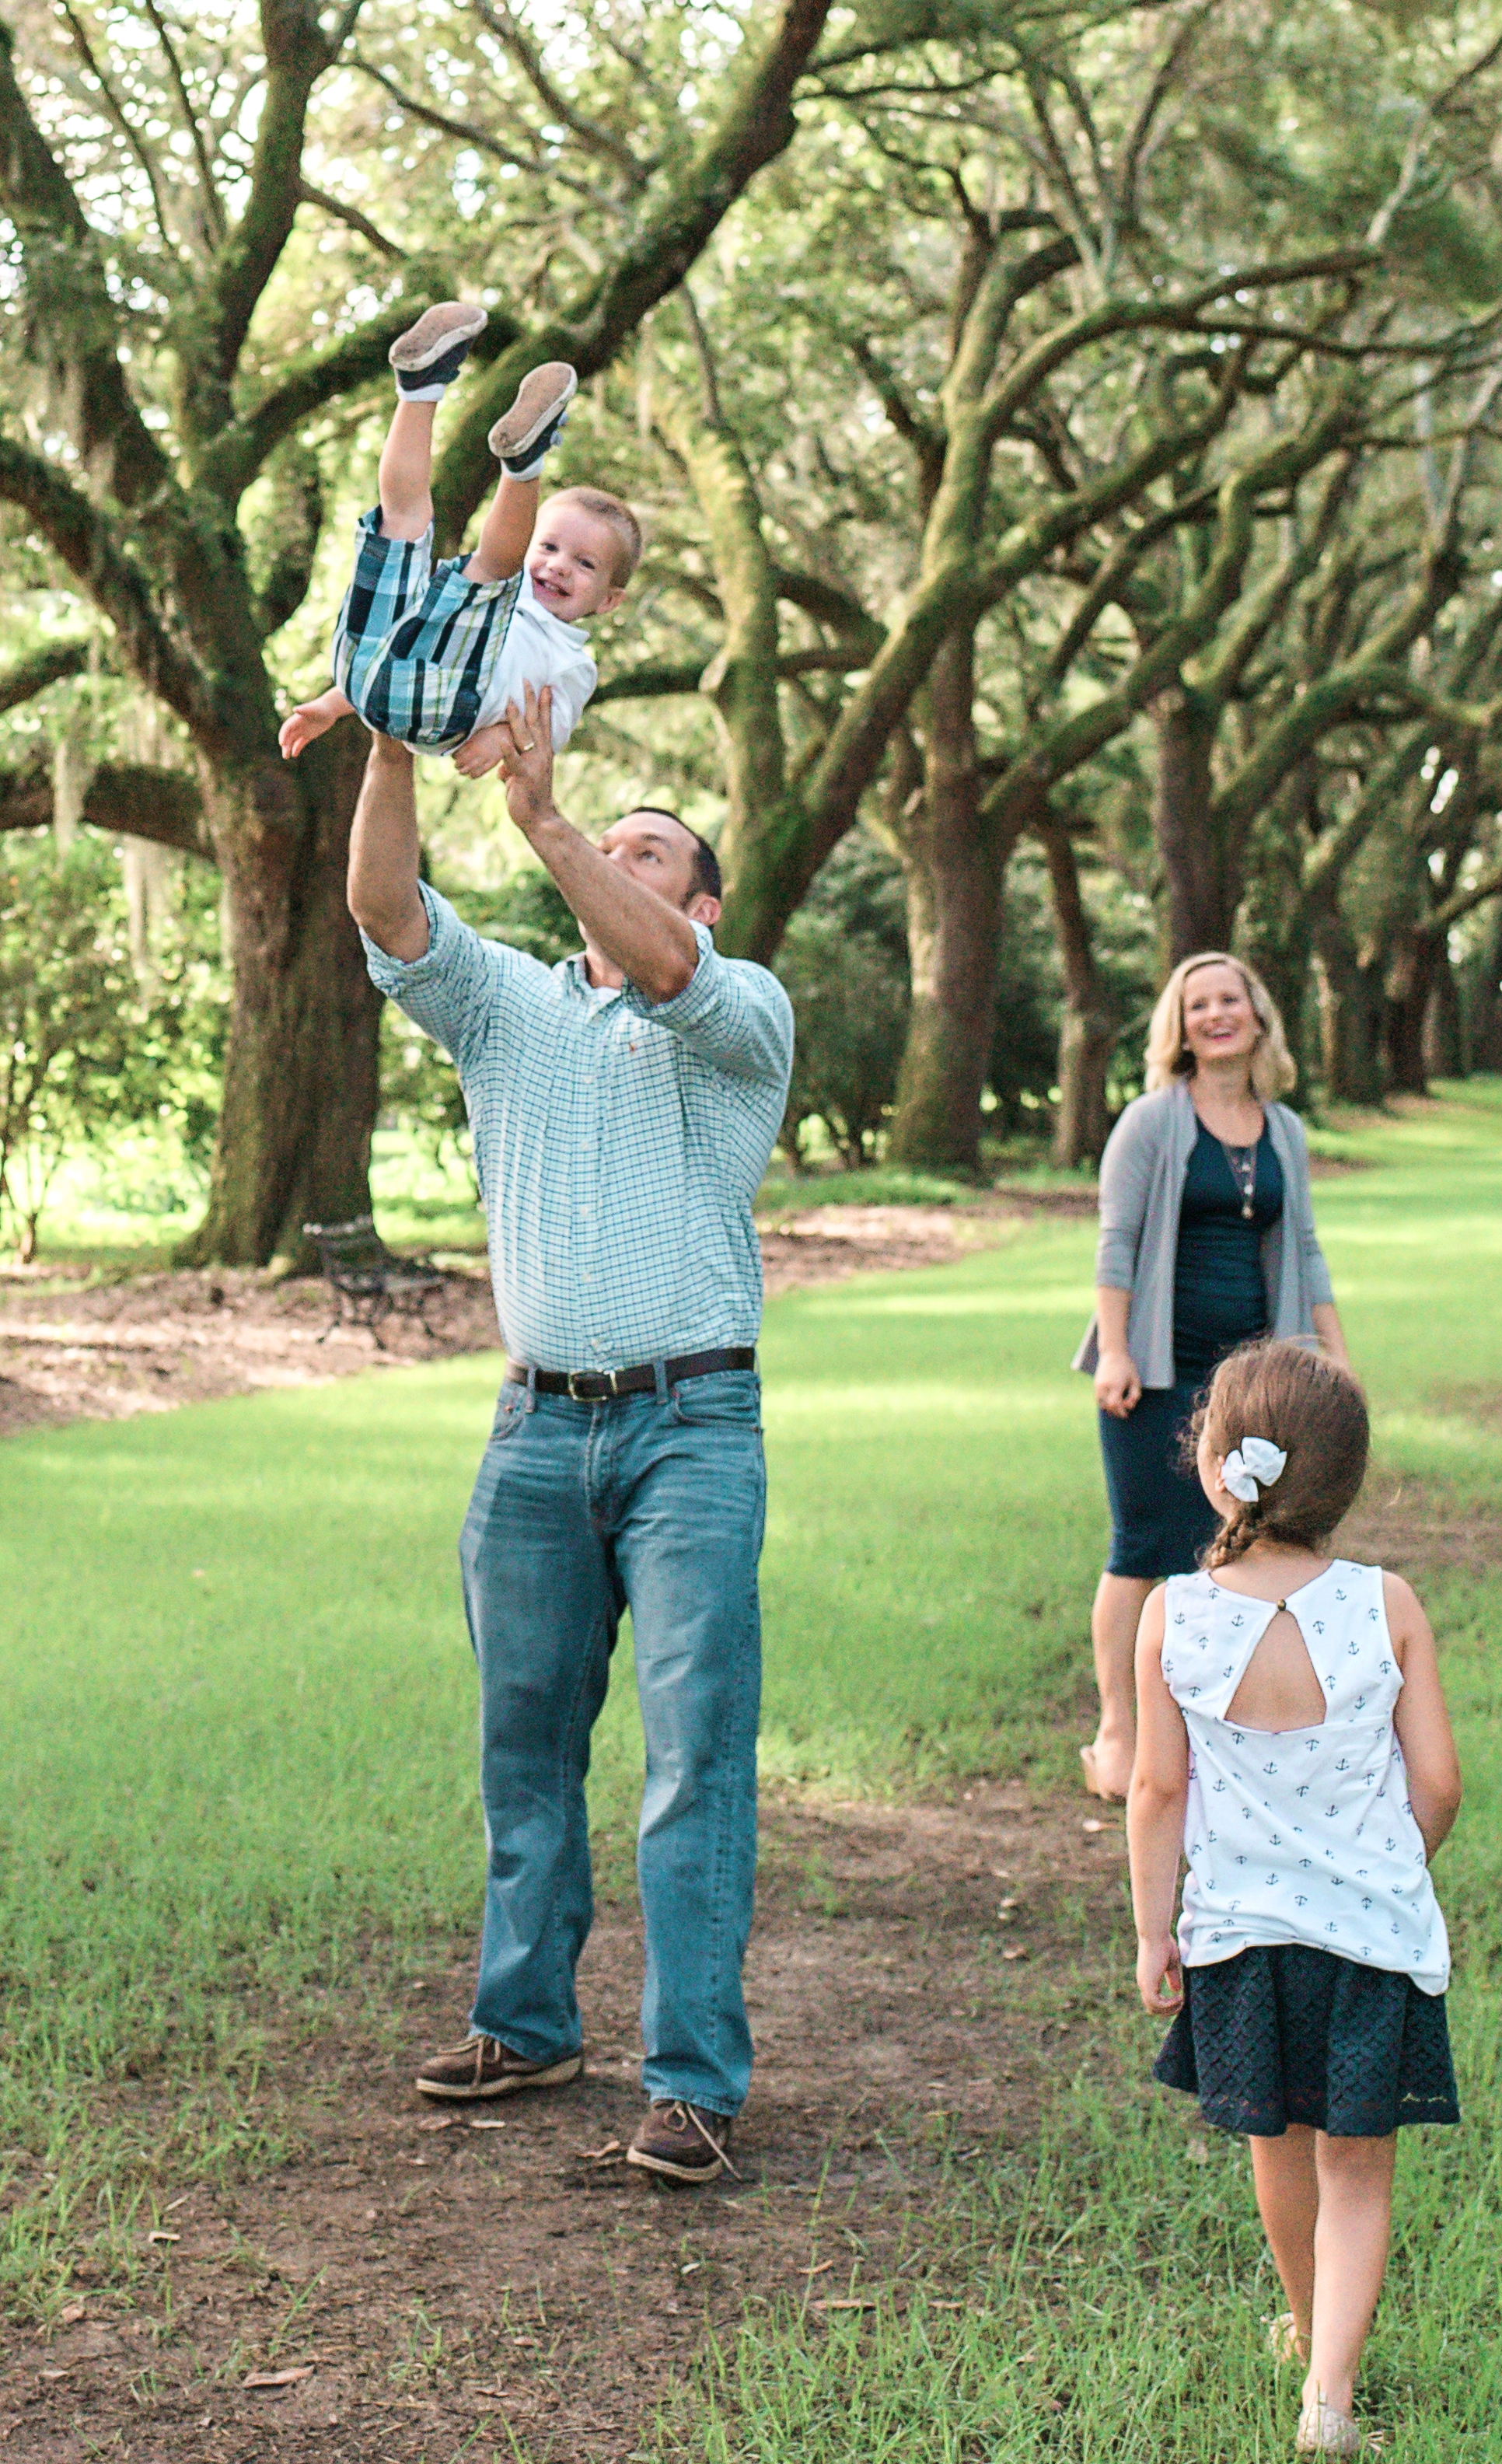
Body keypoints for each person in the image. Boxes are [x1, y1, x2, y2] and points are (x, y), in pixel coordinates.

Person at [347, 681, 794, 2186]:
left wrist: (542, 816)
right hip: (534, 1435)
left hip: (691, 1432)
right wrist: (391, 735)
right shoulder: (508, 1006)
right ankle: (526, 2020)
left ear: (705, 899)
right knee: (523, 1748)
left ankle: (690, 2081)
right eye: (613, 836)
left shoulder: (739, 1011)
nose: (623, 852)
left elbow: (665, 965)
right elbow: (384, 901)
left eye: (652, 846)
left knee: (690, 1759)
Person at [1128, 1340, 1462, 2457]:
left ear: (1221, 1468)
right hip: (1368, 1936)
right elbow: (1441, 1783)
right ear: (1344, 1482)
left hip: (1240, 1943)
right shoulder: (1388, 1603)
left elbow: (1156, 1787)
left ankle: (1313, 2331)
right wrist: (1388, 1866)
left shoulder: (1173, 1613)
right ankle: (1331, 2393)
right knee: (1357, 2166)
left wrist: (1151, 1930)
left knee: (1283, 2154)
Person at [1073, 953, 1350, 1802]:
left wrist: (1334, 1356)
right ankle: (1117, 1732)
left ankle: (1215, 1733)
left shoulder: (1285, 1131)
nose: (1216, 1014)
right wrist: (1116, 1351)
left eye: (1230, 999)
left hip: (1251, 1384)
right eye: (1198, 1004)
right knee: (1141, 1550)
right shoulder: (1151, 1122)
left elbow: (1302, 1247)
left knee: (1239, 1550)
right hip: (1156, 1372)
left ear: (1257, 1017)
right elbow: (1115, 1241)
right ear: (1180, 1026)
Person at [279, 302, 638, 779]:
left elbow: (551, 725)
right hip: (362, 669)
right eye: (548, 547)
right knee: (410, 524)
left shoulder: (572, 662)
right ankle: (423, 387)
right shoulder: (486, 597)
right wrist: (330, 705)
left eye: (586, 564)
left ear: (610, 600)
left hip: (441, 701)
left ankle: (506, 449)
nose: (559, 566)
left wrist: (502, 736)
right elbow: (397, 655)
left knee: (455, 548)